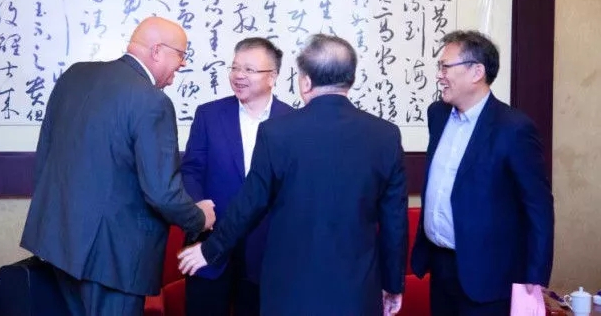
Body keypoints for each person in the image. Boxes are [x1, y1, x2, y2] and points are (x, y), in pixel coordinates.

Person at [178, 34, 408, 316]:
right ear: (350, 79)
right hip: (357, 288)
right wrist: (393, 284)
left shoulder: (278, 132)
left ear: (306, 81)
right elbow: (394, 220)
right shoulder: (386, 135)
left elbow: (250, 203)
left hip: (289, 287)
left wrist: (210, 250)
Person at [20, 17, 216, 316]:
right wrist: (199, 219)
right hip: (114, 259)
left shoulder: (75, 76)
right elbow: (162, 193)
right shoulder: (152, 102)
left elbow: (46, 151)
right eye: (180, 56)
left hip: (59, 243)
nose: (181, 65)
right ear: (157, 51)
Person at [410, 30, 554, 316]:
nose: (439, 75)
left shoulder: (513, 128)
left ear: (476, 72)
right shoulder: (437, 114)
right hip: (440, 266)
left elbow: (538, 207)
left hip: (488, 275)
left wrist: (534, 277)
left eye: (445, 67)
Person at [181, 37, 293, 316]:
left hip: (268, 248)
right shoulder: (209, 114)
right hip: (210, 241)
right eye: (235, 67)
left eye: (249, 69)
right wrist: (198, 205)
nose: (239, 75)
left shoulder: (292, 122)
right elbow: (191, 169)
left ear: (272, 77)